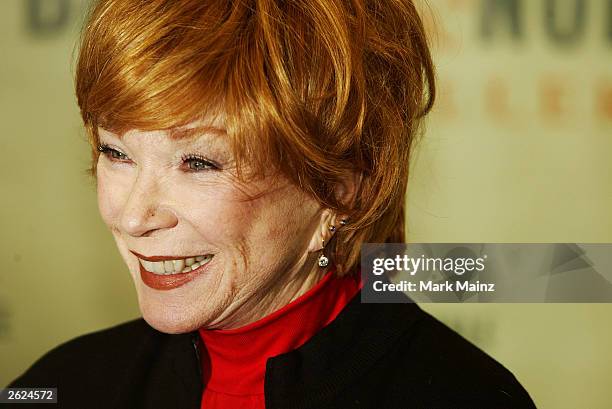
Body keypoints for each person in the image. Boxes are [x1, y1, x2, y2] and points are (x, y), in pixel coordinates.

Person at [9, 0, 536, 408]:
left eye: (198, 163)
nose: (132, 216)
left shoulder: (462, 396)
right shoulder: (64, 384)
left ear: (341, 187)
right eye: (115, 152)